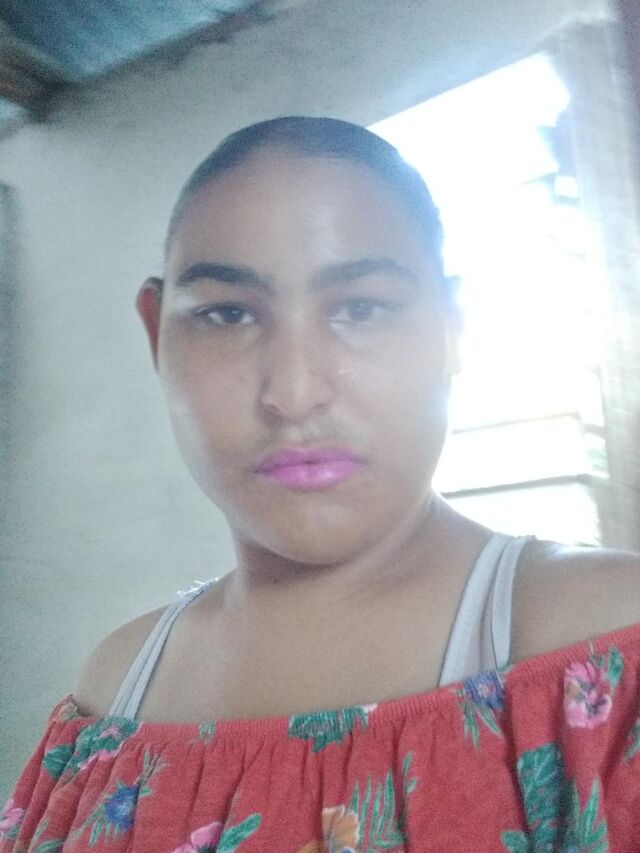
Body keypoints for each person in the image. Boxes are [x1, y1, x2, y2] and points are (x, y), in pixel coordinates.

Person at [2, 116, 640, 852]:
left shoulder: (605, 639)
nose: (294, 392)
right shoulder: (111, 694)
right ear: (157, 335)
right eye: (227, 314)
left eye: (361, 307)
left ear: (453, 327)